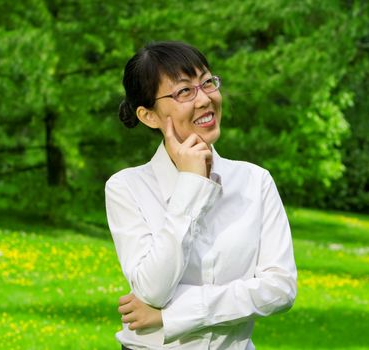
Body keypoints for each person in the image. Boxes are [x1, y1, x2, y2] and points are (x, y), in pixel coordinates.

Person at [105, 41, 297, 350]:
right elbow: (153, 289)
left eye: (207, 83)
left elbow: (280, 289)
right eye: (184, 92)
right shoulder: (126, 188)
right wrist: (191, 186)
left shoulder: (255, 181)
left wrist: (175, 314)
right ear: (149, 115)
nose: (205, 99)